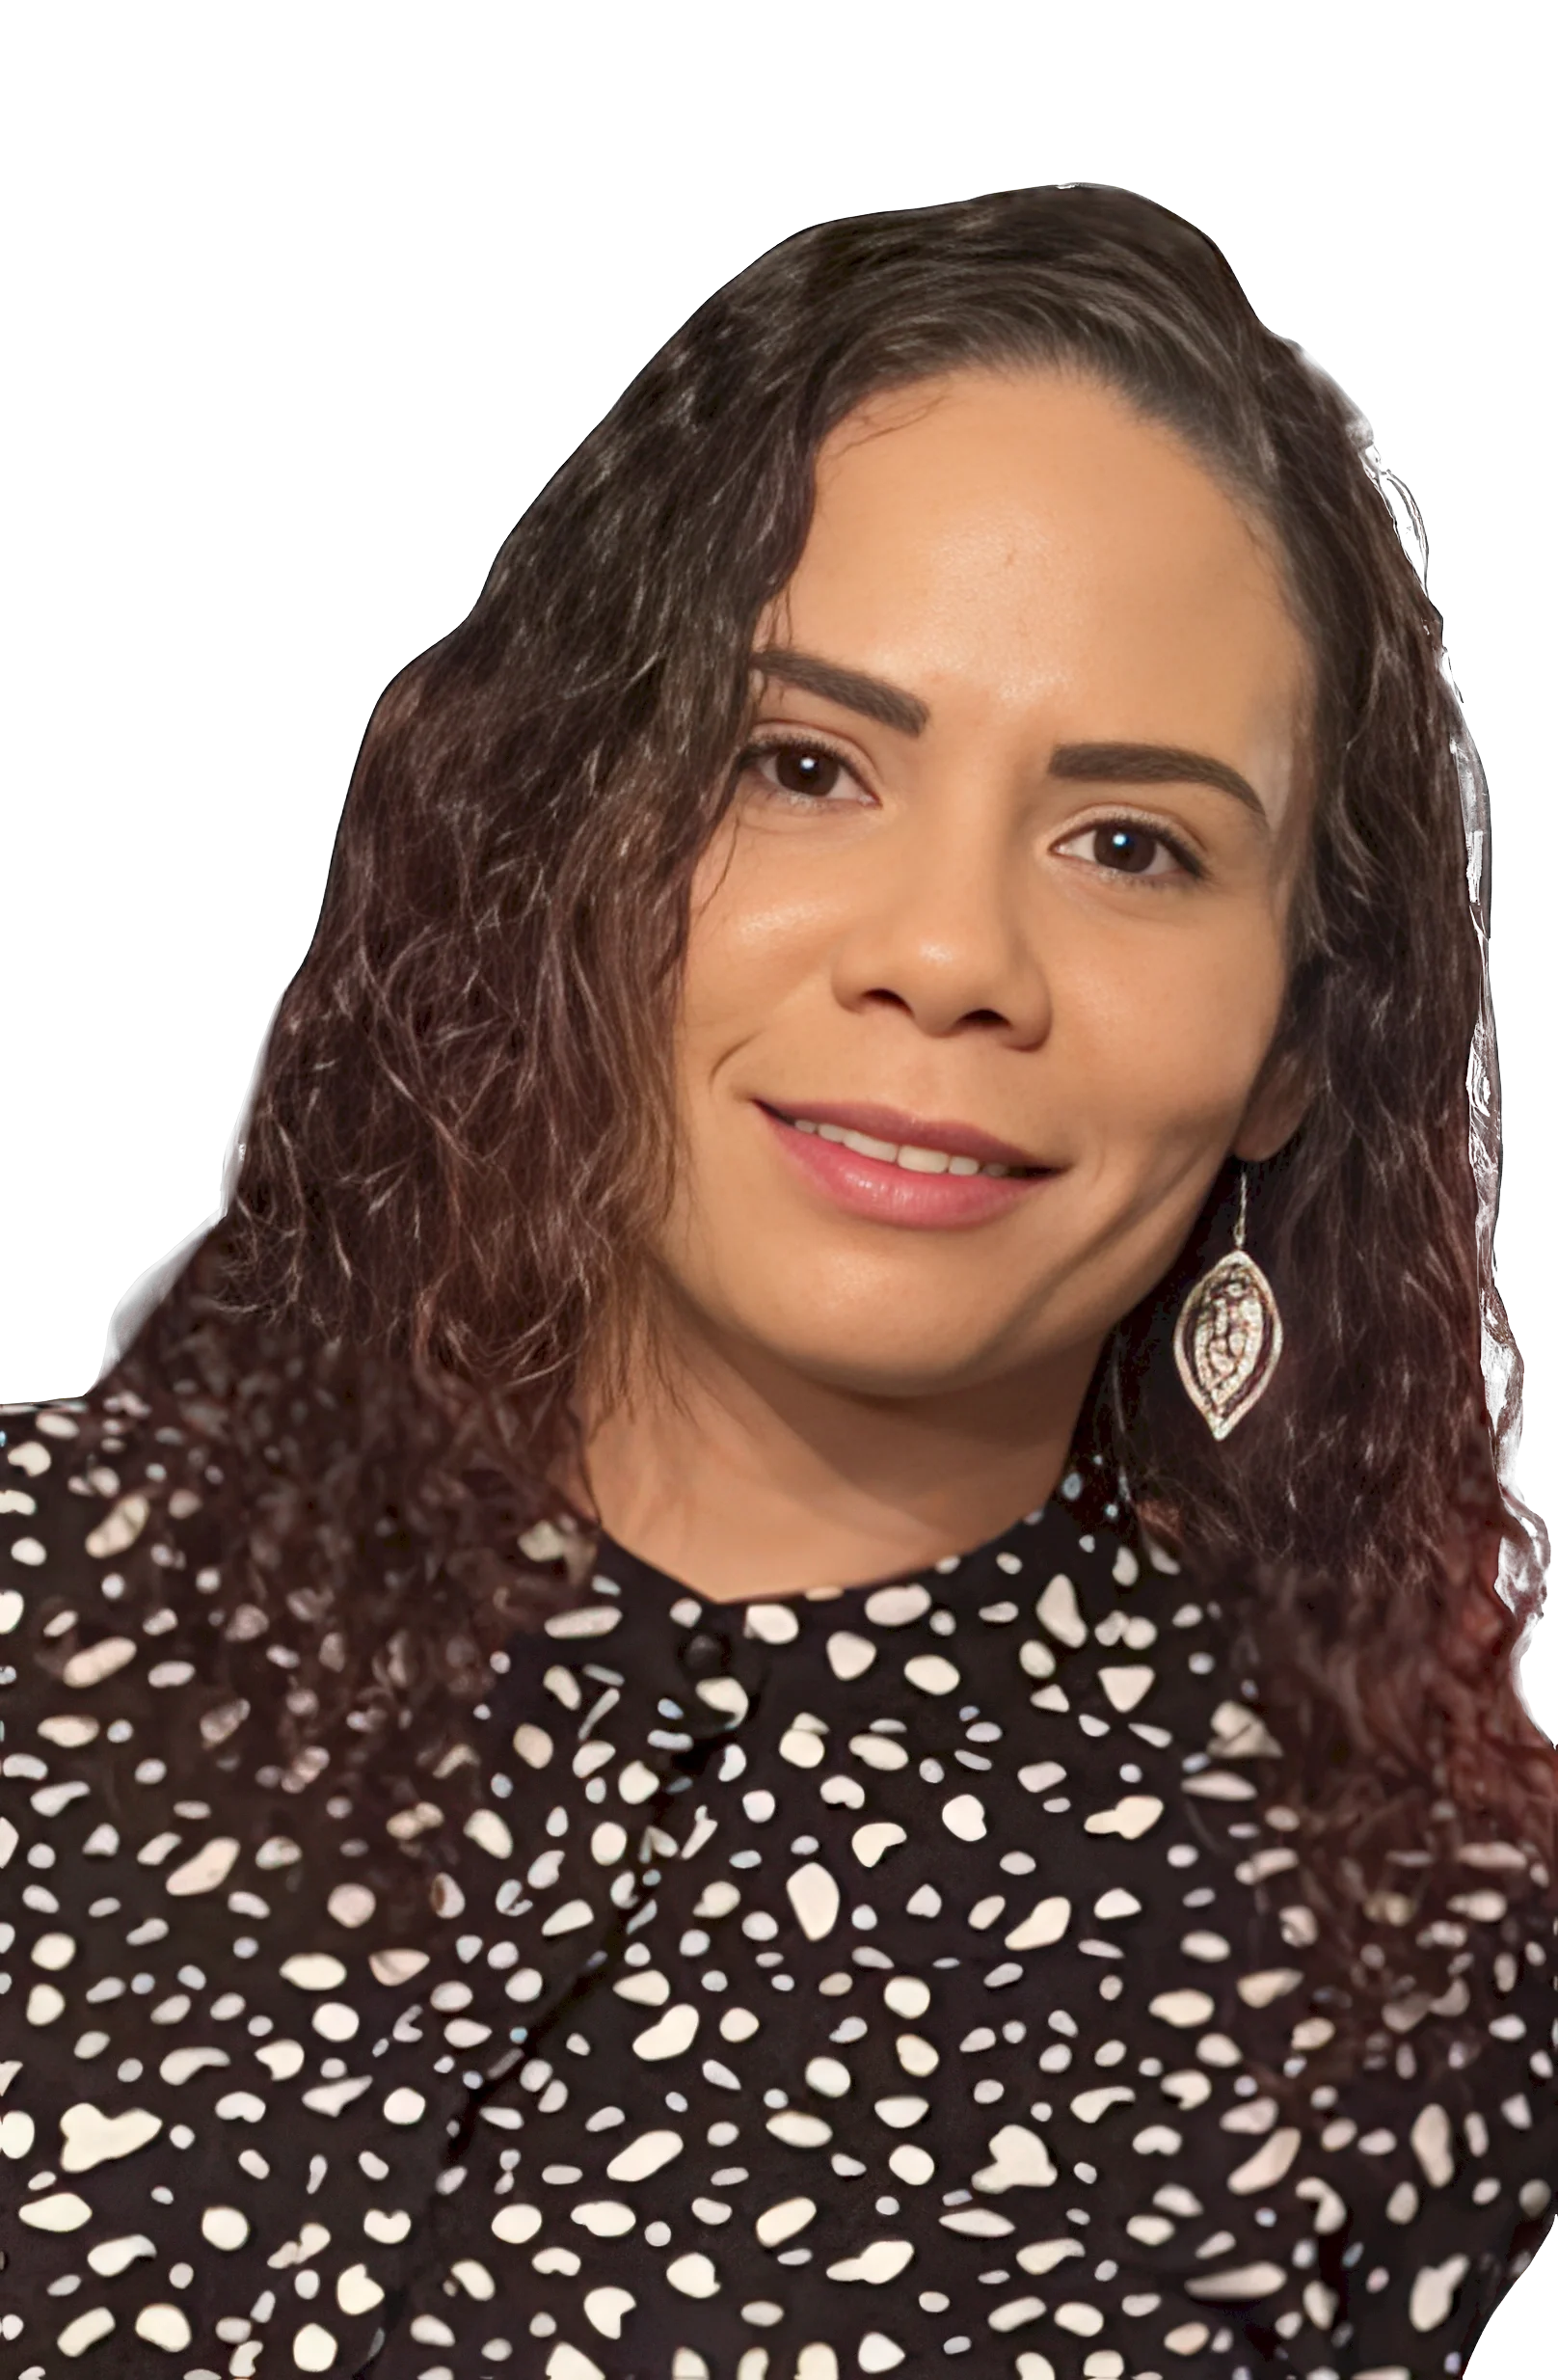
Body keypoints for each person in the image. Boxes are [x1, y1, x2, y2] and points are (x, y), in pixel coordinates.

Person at [2, 183, 1552, 2380]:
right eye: (803, 765)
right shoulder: (36, 1582)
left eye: (1132, 843)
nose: (948, 955)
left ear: (1298, 1038)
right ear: (566, 841)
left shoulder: (1435, 1972)